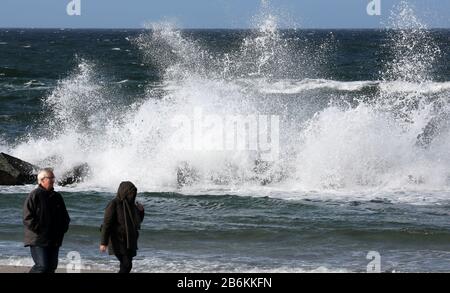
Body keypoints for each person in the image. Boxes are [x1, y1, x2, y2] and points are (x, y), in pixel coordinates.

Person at [23, 168, 71, 273]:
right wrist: (41, 230)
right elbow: (27, 217)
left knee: (51, 267)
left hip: (54, 239)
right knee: (42, 266)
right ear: (42, 180)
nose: (53, 180)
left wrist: (62, 229)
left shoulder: (57, 196)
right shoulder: (34, 195)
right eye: (51, 178)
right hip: (38, 238)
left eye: (53, 178)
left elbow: (65, 216)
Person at [100, 181, 144, 273]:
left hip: (129, 240)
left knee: (126, 265)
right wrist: (103, 243)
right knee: (126, 264)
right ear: (124, 192)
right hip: (117, 239)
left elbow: (137, 222)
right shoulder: (114, 204)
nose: (132, 195)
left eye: (134, 193)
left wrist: (141, 211)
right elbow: (106, 224)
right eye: (130, 193)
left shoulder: (132, 205)